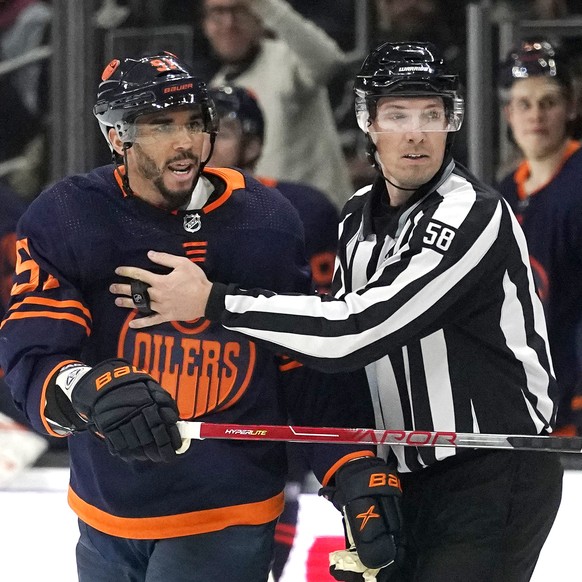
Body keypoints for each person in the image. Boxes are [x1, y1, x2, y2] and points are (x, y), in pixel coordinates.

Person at [111, 42, 564, 581]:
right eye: (397, 115)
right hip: (402, 472)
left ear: (451, 124)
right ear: (368, 123)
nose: (415, 132)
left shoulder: (472, 212)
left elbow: (358, 330)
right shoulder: (355, 216)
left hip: (490, 473)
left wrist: (212, 301)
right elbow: (343, 366)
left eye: (432, 114)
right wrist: (359, 480)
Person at [0, 52, 392, 581]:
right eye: (162, 125)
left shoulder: (265, 220)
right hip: (104, 512)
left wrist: (351, 467)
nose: (185, 142)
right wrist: (84, 386)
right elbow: (32, 349)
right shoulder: (68, 215)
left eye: (194, 124)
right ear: (118, 137)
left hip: (228, 509)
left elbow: (302, 363)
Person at [207, 84, 339, 580]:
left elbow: (320, 317)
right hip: (200, 396)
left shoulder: (303, 210)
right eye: (204, 129)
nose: (209, 141)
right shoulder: (164, 214)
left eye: (225, 132)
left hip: (277, 399)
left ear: (254, 144)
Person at [497, 39, 582, 436]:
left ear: (572, 107)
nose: (536, 115)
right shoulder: (499, 197)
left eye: (548, 102)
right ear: (508, 115)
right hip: (528, 402)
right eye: (525, 104)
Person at [200, 0, 354, 209]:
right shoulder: (218, 91)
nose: (229, 23)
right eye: (218, 13)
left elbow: (329, 63)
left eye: (239, 11)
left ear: (259, 18)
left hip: (319, 214)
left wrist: (266, 5)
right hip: (266, 221)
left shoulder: (287, 59)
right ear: (205, 26)